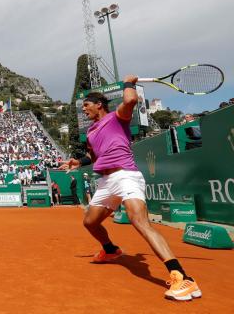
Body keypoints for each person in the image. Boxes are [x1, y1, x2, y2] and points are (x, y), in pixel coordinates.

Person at [59, 75, 201, 301]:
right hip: (105, 182)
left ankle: (183, 278)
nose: (83, 110)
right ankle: (111, 249)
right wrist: (78, 162)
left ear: (99, 105)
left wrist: (128, 83)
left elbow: (131, 101)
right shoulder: (91, 132)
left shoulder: (118, 117)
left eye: (86, 106)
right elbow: (92, 156)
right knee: (90, 222)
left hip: (126, 175)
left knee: (139, 221)